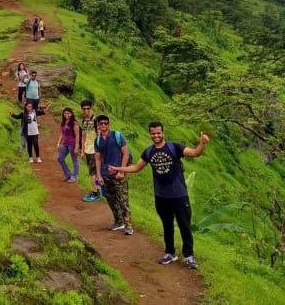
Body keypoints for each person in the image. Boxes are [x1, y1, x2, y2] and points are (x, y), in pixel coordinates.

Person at [109, 122, 210, 269]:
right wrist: (119, 169)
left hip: (179, 195)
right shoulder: (149, 152)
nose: (156, 136)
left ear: (163, 133)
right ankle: (170, 253)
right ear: (150, 134)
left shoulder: (174, 147)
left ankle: (189, 256)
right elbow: (137, 167)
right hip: (161, 196)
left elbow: (195, 153)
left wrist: (202, 144)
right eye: (153, 133)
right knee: (167, 226)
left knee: (185, 226)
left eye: (158, 133)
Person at [94, 115, 133, 235]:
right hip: (106, 175)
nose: (104, 125)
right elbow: (98, 159)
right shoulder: (98, 140)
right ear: (98, 125)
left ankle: (128, 225)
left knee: (123, 200)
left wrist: (121, 171)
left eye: (106, 123)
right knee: (111, 199)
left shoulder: (117, 136)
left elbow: (125, 154)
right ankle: (118, 221)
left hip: (118, 174)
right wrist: (99, 175)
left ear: (109, 124)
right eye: (101, 124)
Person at [80, 100, 100, 202]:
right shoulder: (84, 120)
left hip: (94, 150)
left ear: (91, 108)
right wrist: (82, 151)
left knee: (93, 172)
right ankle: (96, 190)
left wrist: (99, 150)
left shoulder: (96, 120)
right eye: (84, 109)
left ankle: (95, 192)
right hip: (88, 149)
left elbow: (99, 136)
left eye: (88, 108)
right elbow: (83, 136)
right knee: (93, 172)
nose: (86, 110)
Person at [56, 107, 80, 182]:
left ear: (71, 114)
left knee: (75, 161)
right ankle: (68, 174)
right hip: (65, 144)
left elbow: (77, 135)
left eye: (68, 113)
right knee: (60, 158)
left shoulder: (74, 123)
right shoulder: (63, 122)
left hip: (72, 144)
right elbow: (62, 134)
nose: (66, 114)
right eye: (65, 113)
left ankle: (75, 176)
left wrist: (76, 147)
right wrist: (58, 143)